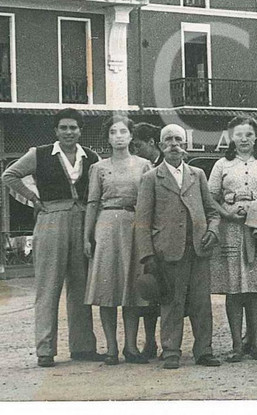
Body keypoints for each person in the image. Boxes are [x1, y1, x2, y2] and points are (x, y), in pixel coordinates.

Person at [2, 108, 102, 368]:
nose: (69, 132)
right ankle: (45, 350)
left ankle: (83, 347)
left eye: (73, 128)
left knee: (81, 286)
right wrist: (33, 199)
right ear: (56, 130)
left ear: (80, 130)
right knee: (48, 286)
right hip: (51, 220)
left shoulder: (92, 157)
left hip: (82, 221)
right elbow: (9, 175)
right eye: (64, 128)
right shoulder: (39, 153)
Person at [134, 124, 222, 369]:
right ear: (161, 145)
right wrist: (147, 255)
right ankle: (171, 350)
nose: (174, 144)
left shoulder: (197, 174)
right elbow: (142, 220)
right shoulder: (151, 178)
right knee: (171, 303)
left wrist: (213, 230)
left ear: (185, 145)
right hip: (168, 250)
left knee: (201, 303)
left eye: (178, 140)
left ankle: (204, 350)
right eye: (169, 140)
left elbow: (213, 211)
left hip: (198, 249)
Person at [208, 116, 257, 362]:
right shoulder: (222, 164)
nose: (244, 139)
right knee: (234, 288)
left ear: (256, 137)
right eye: (239, 135)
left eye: (249, 135)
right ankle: (236, 346)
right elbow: (210, 197)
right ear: (231, 137)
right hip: (231, 228)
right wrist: (227, 213)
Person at [83, 116, 153, 365]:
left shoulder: (144, 165)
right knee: (107, 288)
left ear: (131, 136)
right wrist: (87, 236)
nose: (119, 136)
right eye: (113, 132)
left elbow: (150, 201)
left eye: (123, 132)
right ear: (108, 138)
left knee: (132, 289)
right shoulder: (98, 168)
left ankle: (130, 347)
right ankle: (111, 348)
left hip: (135, 225)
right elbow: (92, 202)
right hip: (106, 227)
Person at [131, 122, 163, 359]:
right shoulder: (138, 167)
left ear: (152, 143)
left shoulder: (167, 165)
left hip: (166, 236)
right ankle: (150, 341)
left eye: (138, 145)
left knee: (167, 293)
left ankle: (169, 342)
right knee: (149, 290)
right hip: (146, 234)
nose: (135, 150)